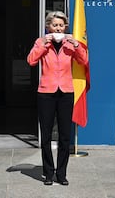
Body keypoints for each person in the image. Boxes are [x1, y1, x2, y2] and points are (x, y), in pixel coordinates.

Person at [27, 11, 88, 186]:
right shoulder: (41, 42)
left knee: (65, 136)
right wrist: (43, 45)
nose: (58, 28)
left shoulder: (70, 44)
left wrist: (76, 44)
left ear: (65, 27)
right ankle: (48, 173)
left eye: (61, 25)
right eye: (55, 25)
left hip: (66, 92)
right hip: (46, 92)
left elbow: (84, 60)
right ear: (48, 27)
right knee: (46, 135)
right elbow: (31, 60)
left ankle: (61, 174)